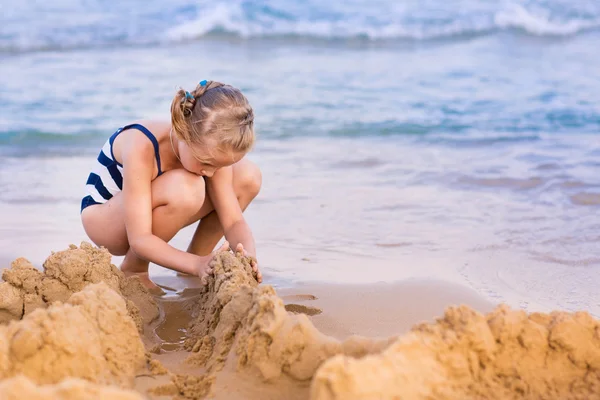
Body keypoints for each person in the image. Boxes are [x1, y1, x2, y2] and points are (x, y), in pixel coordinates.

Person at [80, 80, 262, 289]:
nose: (211, 172)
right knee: (186, 188)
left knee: (248, 176)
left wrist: (248, 258)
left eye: (219, 166)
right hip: (105, 221)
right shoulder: (142, 146)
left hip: (146, 208)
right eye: (206, 163)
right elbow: (140, 239)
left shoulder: (209, 151)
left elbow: (232, 222)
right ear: (183, 132)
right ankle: (134, 270)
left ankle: (199, 259)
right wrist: (195, 265)